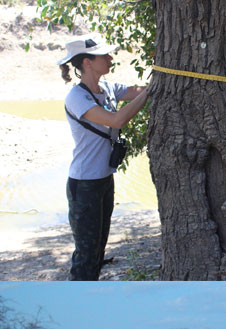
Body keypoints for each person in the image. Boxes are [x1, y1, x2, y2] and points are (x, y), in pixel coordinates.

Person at [57, 34, 149, 280]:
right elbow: (117, 120)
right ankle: (79, 304)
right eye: (104, 55)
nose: (110, 58)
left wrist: (152, 86)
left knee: (98, 249)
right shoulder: (77, 97)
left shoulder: (107, 88)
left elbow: (134, 91)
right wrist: (150, 94)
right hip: (84, 184)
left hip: (104, 180)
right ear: (87, 63)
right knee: (86, 254)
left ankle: (92, 300)